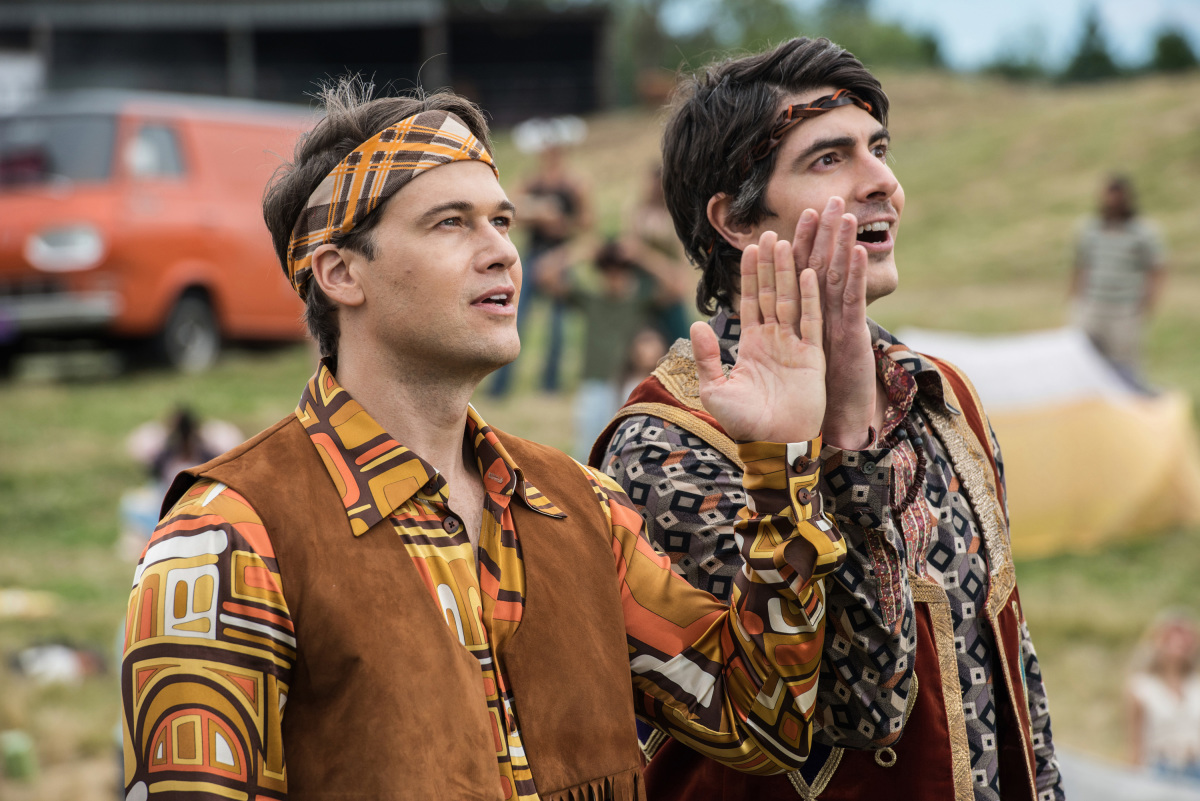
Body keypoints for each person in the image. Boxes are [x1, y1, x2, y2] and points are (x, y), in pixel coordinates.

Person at [119, 80, 854, 800]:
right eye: (451, 223)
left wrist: (782, 463)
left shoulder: (582, 507)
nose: (503, 251)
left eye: (502, 221)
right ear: (340, 272)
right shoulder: (228, 539)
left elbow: (762, 722)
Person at [592, 37, 1064, 801]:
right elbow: (858, 712)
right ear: (735, 221)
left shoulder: (940, 394)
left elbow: (1018, 679)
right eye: (829, 159)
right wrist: (843, 441)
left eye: (879, 149)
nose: (884, 183)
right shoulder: (668, 443)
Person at [489, 118, 592, 397]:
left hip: (560, 259)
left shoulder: (574, 184)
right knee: (515, 317)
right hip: (533, 256)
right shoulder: (531, 181)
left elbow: (587, 227)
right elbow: (507, 209)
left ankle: (550, 385)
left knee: (557, 325)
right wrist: (539, 213)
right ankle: (500, 386)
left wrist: (562, 229)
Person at [537, 240, 659, 460]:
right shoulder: (591, 300)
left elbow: (677, 285)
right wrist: (580, 252)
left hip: (629, 385)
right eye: (608, 272)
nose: (614, 278)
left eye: (620, 272)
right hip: (593, 383)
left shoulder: (639, 302)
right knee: (587, 451)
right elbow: (544, 275)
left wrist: (642, 254)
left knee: (625, 452)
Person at [1070, 175, 1166, 385]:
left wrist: (1149, 301)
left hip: (1125, 308)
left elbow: (1156, 268)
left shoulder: (1143, 232)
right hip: (1092, 304)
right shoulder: (1090, 229)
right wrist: (1076, 299)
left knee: (1124, 363)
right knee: (1086, 357)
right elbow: (1081, 264)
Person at [1127, 611, 1200, 783]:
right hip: (1159, 769)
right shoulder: (1141, 687)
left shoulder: (1196, 686)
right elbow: (1135, 744)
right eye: (1171, 637)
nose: (1178, 643)